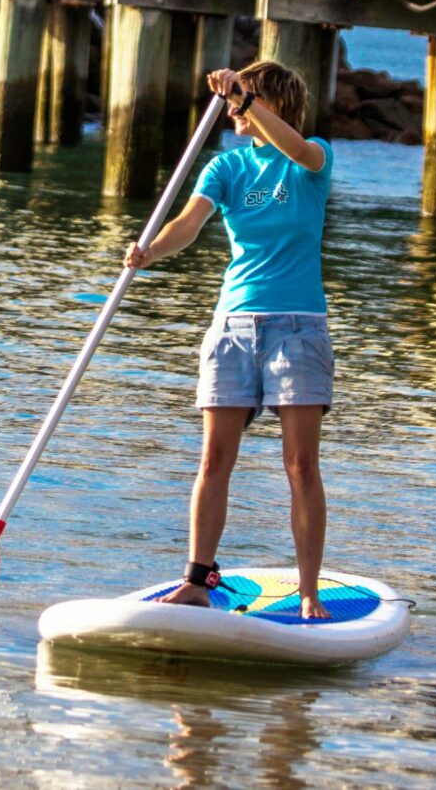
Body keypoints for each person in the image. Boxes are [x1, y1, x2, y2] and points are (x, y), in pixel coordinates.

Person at [121, 61, 335, 618]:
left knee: (300, 465)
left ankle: (308, 590)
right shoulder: (226, 167)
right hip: (235, 325)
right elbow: (188, 226)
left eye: (249, 100)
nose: (234, 111)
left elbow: (298, 150)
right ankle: (197, 578)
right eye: (237, 101)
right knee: (215, 459)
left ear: (274, 104)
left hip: (298, 328)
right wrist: (149, 253)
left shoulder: (312, 158)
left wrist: (244, 100)